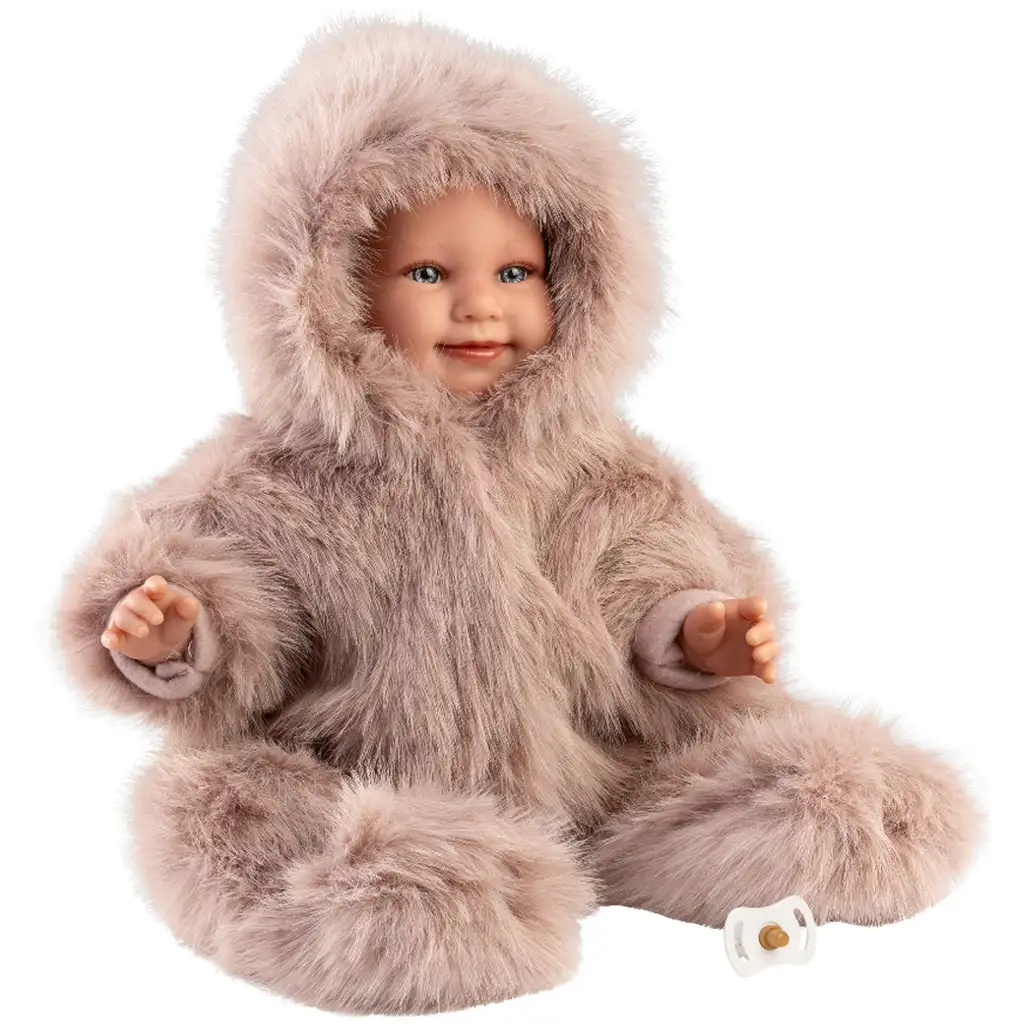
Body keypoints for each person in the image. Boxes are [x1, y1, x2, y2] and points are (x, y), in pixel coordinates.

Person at [54, 14, 983, 1016]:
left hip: (594, 779)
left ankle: (634, 856)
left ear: (575, 278)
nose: (479, 306)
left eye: (515, 272)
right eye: (428, 274)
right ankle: (425, 895)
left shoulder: (602, 466)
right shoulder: (273, 476)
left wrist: (694, 634)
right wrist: (176, 633)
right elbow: (209, 583)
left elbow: (648, 571)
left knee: (864, 810)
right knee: (229, 820)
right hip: (354, 781)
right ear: (328, 291)